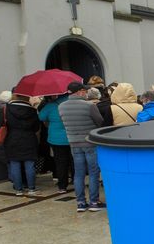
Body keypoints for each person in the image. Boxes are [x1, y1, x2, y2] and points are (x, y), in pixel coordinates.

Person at [58, 82, 105, 212]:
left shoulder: (61, 107)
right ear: (80, 91)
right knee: (93, 172)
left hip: (73, 143)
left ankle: (80, 203)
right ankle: (94, 202)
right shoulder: (89, 106)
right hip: (90, 143)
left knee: (78, 173)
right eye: (84, 91)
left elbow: (64, 123)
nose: (86, 93)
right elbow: (100, 122)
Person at [0, 93, 40, 196]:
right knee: (30, 164)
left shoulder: (6, 109)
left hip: (12, 139)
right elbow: (36, 127)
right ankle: (31, 188)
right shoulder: (32, 110)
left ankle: (18, 189)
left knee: (15, 164)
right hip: (29, 139)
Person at [37, 93, 70, 193]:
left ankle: (62, 186)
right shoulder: (71, 104)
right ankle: (76, 181)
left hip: (56, 138)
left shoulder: (51, 106)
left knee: (60, 162)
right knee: (74, 160)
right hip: (72, 136)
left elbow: (41, 117)